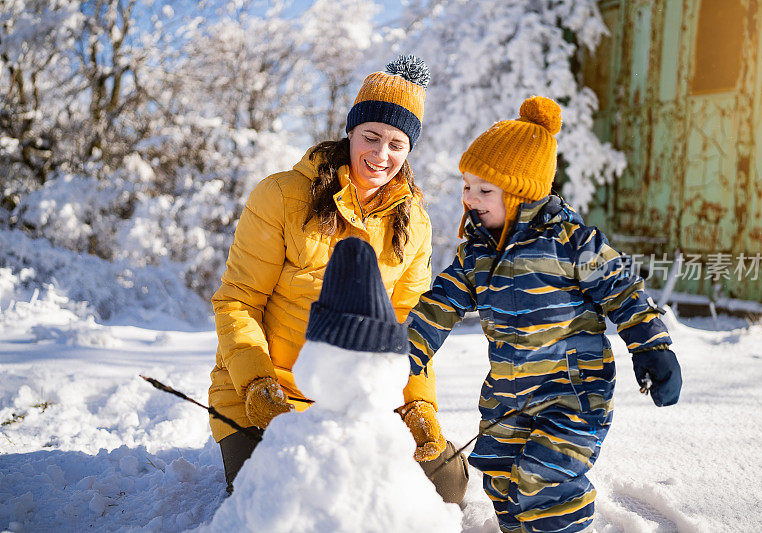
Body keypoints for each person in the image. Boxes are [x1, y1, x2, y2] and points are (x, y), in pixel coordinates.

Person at [406, 95, 682, 533]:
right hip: (507, 397)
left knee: (543, 482)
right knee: (499, 477)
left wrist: (653, 347)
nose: (470, 199)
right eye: (466, 186)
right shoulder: (476, 253)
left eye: (484, 190)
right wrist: (405, 352)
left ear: (520, 193)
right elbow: (439, 305)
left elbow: (624, 292)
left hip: (573, 394)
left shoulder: (573, 241)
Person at [208, 55, 468, 503]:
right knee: (293, 500)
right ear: (350, 131)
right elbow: (238, 301)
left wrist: (417, 403)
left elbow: (410, 325)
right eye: (371, 137)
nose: (381, 155)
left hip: (360, 399)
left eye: (397, 144)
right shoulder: (283, 196)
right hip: (269, 395)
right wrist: (257, 384)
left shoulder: (415, 224)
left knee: (444, 488)